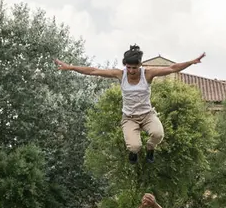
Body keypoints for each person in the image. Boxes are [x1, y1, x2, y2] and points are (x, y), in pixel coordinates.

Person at [55, 45, 206, 163]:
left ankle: (150, 148)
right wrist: (71, 67)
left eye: (135, 68)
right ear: (125, 65)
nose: (132, 71)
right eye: (129, 67)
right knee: (135, 147)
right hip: (129, 118)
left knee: (158, 134)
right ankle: (133, 153)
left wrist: (191, 62)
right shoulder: (120, 74)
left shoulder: (148, 74)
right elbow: (94, 71)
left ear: (140, 65)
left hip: (147, 115)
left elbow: (172, 68)